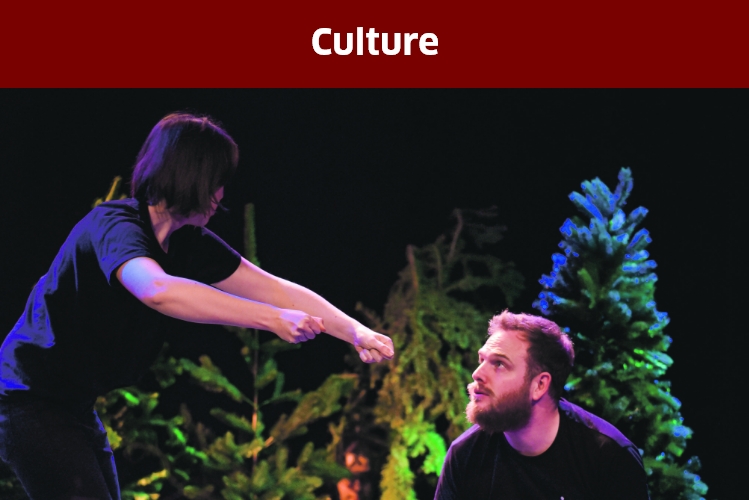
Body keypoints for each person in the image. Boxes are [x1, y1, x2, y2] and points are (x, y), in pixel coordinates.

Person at [0, 112, 394, 500]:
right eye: (217, 181)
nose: (221, 195)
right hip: (27, 397)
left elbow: (275, 289)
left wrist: (354, 331)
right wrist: (271, 319)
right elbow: (157, 289)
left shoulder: (188, 243)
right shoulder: (115, 226)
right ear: (192, 176)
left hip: (74, 405)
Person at [434, 310, 649, 499]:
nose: (477, 374)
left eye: (499, 364)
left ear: (540, 385)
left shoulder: (610, 457)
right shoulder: (465, 455)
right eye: (482, 360)